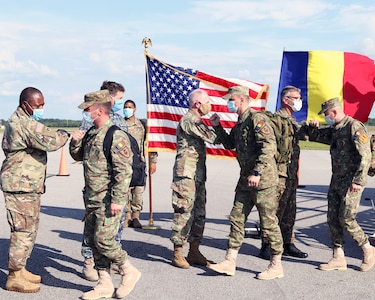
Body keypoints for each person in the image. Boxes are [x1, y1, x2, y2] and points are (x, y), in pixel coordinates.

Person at [70, 90, 141, 299]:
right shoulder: (92, 132)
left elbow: (124, 171)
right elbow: (79, 155)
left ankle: (129, 270)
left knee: (105, 241)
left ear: (99, 110)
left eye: (88, 110)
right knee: (93, 241)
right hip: (92, 198)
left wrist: (118, 200)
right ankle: (104, 283)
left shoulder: (115, 135)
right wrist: (75, 142)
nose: (86, 113)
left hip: (108, 199)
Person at [208, 85, 284, 280]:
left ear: (241, 100)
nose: (228, 103)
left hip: (263, 180)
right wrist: (217, 126)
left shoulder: (256, 119)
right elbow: (229, 144)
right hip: (245, 179)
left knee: (268, 223)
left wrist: (257, 172)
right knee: (237, 217)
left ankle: (276, 265)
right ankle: (229, 261)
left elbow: (268, 146)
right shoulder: (240, 123)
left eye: (230, 100)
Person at [0, 87, 69, 293]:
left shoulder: (25, 120)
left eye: (43, 104)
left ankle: (20, 270)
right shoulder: (23, 123)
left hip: (27, 184)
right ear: (25, 104)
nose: (41, 109)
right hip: (19, 185)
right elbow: (51, 141)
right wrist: (65, 135)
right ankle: (14, 277)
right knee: (22, 230)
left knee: (30, 228)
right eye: (38, 105)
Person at [308, 97, 375, 272]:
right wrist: (313, 128)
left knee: (346, 219)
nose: (325, 117)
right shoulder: (335, 129)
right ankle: (338, 257)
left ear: (335, 111)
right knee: (332, 218)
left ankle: (368, 248)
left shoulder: (354, 127)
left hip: (351, 182)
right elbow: (316, 137)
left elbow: (365, 156)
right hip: (336, 180)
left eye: (326, 114)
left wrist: (359, 181)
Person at [80, 80, 128, 281]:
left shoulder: (118, 126)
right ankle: (92, 263)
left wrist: (119, 195)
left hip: (110, 189)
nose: (121, 104)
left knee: (109, 232)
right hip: (94, 187)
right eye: (118, 99)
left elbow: (123, 165)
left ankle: (117, 265)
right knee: (94, 234)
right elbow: (83, 149)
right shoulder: (90, 123)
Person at [170, 88, 221, 269]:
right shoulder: (189, 120)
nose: (210, 104)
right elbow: (213, 138)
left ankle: (194, 251)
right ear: (197, 104)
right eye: (207, 101)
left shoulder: (198, 120)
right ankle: (178, 252)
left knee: (199, 214)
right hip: (186, 176)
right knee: (184, 213)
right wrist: (216, 126)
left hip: (197, 175)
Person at [259, 86, 308, 260]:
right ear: (286, 100)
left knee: (289, 210)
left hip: (291, 174)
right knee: (274, 210)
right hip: (279, 173)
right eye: (296, 97)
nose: (299, 100)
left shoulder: (292, 120)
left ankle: (288, 242)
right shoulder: (275, 120)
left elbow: (303, 134)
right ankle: (267, 244)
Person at [123, 99, 158, 228]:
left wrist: (153, 161)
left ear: (135, 109)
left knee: (138, 192)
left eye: (130, 107)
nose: (127, 109)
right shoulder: (120, 125)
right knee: (125, 191)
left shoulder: (142, 125)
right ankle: (126, 216)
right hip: (124, 163)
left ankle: (136, 216)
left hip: (139, 163)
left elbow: (151, 144)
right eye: (125, 107)